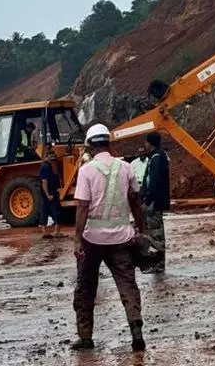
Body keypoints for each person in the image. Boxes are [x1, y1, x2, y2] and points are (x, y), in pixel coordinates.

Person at [72, 123, 148, 352]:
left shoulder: (86, 170)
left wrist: (77, 239)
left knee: (86, 288)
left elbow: (82, 207)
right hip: (122, 239)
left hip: (92, 241)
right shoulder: (125, 168)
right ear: (109, 143)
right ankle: (136, 332)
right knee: (128, 285)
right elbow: (135, 201)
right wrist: (141, 230)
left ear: (89, 146)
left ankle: (85, 337)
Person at [140, 132, 170, 274]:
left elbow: (154, 183)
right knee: (153, 233)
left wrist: (147, 200)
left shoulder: (157, 159)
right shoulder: (156, 157)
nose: (144, 145)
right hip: (154, 201)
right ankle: (156, 263)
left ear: (150, 143)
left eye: (146, 142)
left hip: (154, 202)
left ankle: (158, 264)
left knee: (156, 234)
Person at [39, 149, 63, 239]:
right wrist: (48, 194)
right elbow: (44, 181)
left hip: (47, 193)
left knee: (44, 211)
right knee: (56, 211)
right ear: (46, 157)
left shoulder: (48, 166)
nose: (53, 158)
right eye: (51, 156)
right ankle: (56, 231)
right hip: (50, 193)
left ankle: (45, 231)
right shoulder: (46, 167)